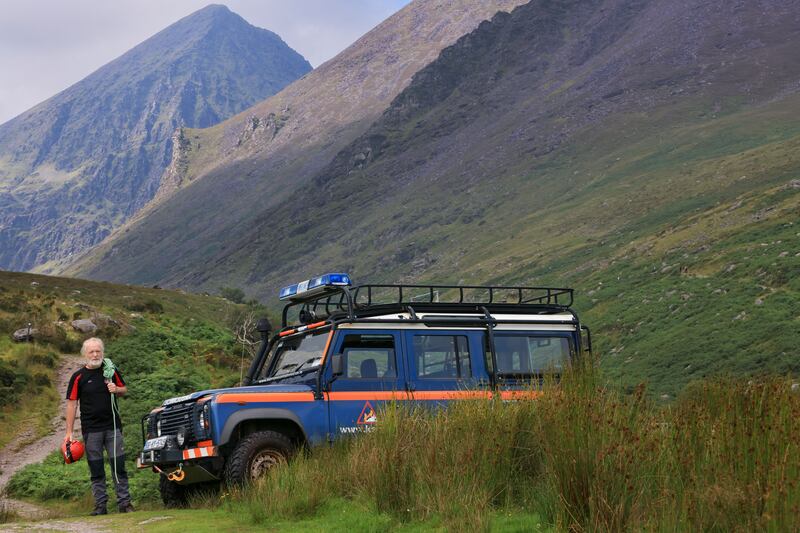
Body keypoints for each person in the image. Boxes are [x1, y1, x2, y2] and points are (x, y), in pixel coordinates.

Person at [64, 337, 134, 515]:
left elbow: (124, 389)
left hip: (113, 428)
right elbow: (72, 404)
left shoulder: (111, 371)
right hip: (91, 431)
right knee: (96, 469)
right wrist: (69, 432)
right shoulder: (78, 377)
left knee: (119, 467)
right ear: (84, 354)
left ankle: (124, 504)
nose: (95, 354)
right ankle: (100, 506)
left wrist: (116, 390)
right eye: (91, 351)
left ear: (102, 352)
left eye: (98, 351)